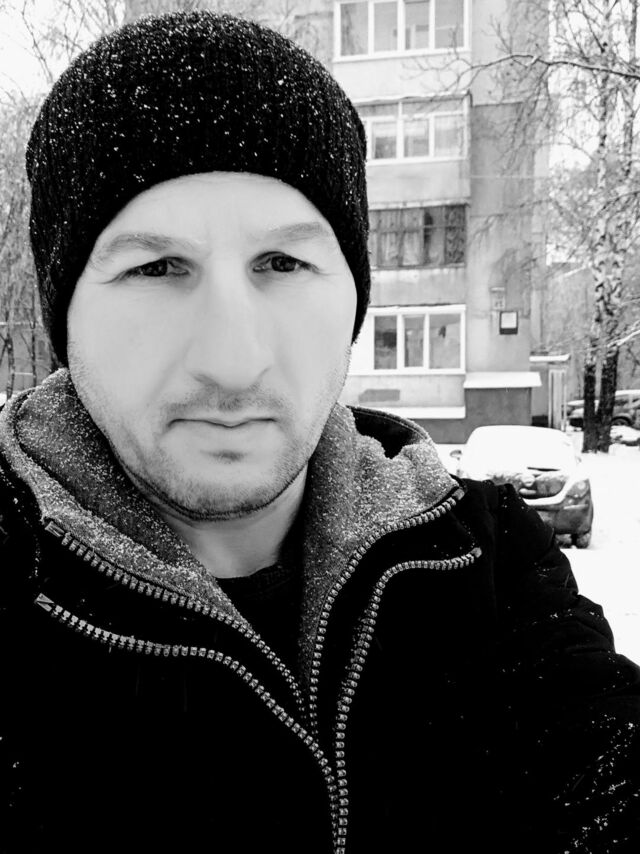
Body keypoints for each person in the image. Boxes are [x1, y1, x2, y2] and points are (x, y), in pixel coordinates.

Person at [0, 11, 639, 854]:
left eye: (283, 264)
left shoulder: (485, 563)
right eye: (155, 267)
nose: (233, 362)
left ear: (353, 299)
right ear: (65, 313)